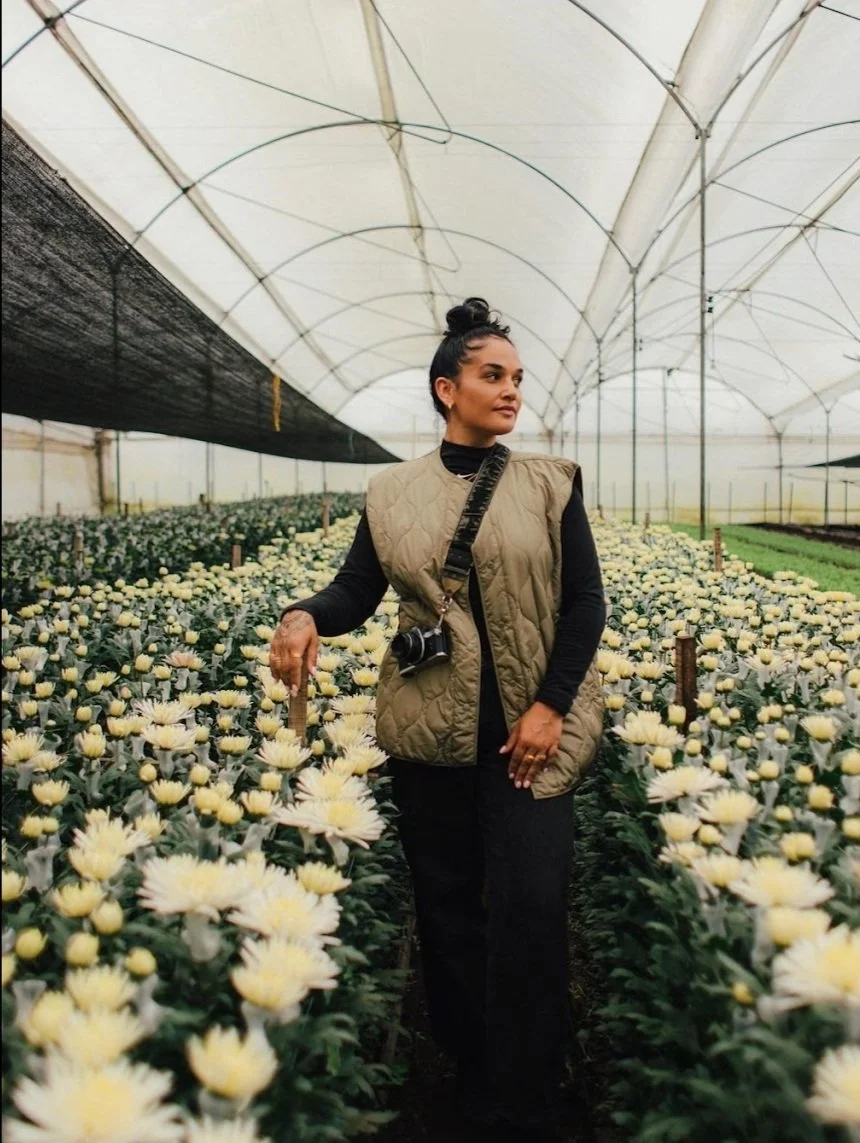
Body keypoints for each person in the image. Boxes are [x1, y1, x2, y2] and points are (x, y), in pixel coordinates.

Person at [269, 297, 605, 1141]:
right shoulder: (392, 492)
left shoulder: (549, 483)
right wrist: (305, 612)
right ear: (445, 388)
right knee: (449, 907)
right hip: (432, 733)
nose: (511, 391)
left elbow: (585, 606)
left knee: (531, 904)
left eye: (518, 379)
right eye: (493, 376)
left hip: (532, 736)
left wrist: (549, 706)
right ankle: (472, 1072)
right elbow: (356, 590)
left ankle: (530, 1085)